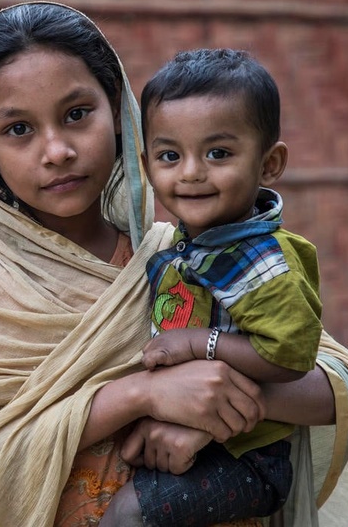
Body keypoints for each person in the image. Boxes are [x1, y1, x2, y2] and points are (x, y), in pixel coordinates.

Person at [0, 2, 348, 527]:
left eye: (77, 114)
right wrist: (140, 394)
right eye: (18, 129)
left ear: (120, 114)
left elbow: (340, 389)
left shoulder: (181, 254)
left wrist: (208, 409)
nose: (56, 150)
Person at [101, 48, 323, 527]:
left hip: (250, 457)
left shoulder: (264, 262)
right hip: (204, 438)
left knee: (127, 515)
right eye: (169, 155)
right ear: (146, 164)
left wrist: (200, 343)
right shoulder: (185, 245)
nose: (191, 172)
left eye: (218, 153)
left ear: (269, 164)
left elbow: (291, 357)